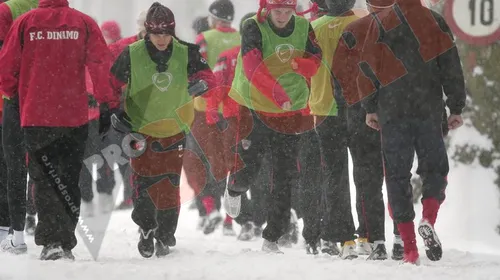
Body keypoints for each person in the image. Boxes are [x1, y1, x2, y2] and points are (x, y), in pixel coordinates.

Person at [343, 0, 465, 264]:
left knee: (397, 176)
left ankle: (409, 249)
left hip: (392, 111)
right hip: (428, 109)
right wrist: (455, 106)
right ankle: (428, 218)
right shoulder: (434, 21)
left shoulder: (380, 24)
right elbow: (451, 65)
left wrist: (370, 107)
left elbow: (367, 67)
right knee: (435, 170)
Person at [0, 0, 118, 260]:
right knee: (68, 178)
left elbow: (7, 66)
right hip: (73, 116)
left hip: (36, 116)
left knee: (44, 178)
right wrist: (107, 102)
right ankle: (64, 240)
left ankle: (51, 242)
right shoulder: (83, 23)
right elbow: (100, 63)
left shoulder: (25, 23)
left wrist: (15, 95)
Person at [109, 2, 216, 258]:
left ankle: (166, 233)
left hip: (174, 127)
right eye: (156, 34)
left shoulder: (187, 51)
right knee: (144, 180)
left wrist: (200, 84)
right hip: (140, 128)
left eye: (166, 34)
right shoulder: (131, 52)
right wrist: (115, 113)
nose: (161, 39)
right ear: (147, 31)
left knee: (170, 182)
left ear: (173, 32)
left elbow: (209, 77)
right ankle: (146, 227)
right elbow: (111, 85)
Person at [224, 0, 321, 253]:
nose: (282, 16)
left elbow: (315, 60)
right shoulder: (253, 26)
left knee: (285, 173)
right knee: (250, 166)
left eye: (288, 11)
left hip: (290, 109)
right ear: (266, 9)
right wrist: (277, 93)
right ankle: (235, 188)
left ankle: (273, 236)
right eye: (277, 11)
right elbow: (252, 67)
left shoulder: (303, 26)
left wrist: (302, 66)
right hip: (255, 104)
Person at [185, 0, 241, 234]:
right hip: (233, 110)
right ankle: (230, 218)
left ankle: (210, 209)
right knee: (227, 163)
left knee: (196, 161)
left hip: (203, 108)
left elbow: (198, 70)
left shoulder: (204, 38)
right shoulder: (241, 39)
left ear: (212, 18)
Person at [0, 0, 38, 254]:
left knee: (9, 167)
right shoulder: (53, 12)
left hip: (10, 99)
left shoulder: (7, 10)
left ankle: (10, 228)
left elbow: (6, 57)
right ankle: (37, 223)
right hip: (42, 100)